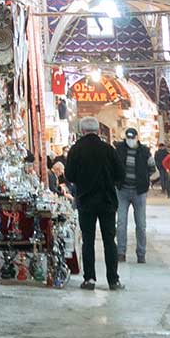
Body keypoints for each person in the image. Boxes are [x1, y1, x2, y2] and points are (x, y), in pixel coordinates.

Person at [63, 115, 124, 291]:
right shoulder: (108, 149)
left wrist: (82, 181)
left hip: (86, 201)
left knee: (88, 240)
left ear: (82, 131)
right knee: (109, 240)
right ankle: (113, 280)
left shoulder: (76, 149)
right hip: (107, 201)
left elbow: (69, 175)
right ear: (98, 131)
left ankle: (89, 279)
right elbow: (120, 174)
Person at [114, 127, 152, 264]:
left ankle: (141, 254)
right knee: (121, 223)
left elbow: (152, 168)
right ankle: (120, 253)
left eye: (132, 137)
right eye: (128, 138)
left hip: (139, 192)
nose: (130, 140)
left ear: (137, 137)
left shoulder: (145, 151)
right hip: (122, 190)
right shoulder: (119, 149)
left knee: (141, 224)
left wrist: (146, 182)